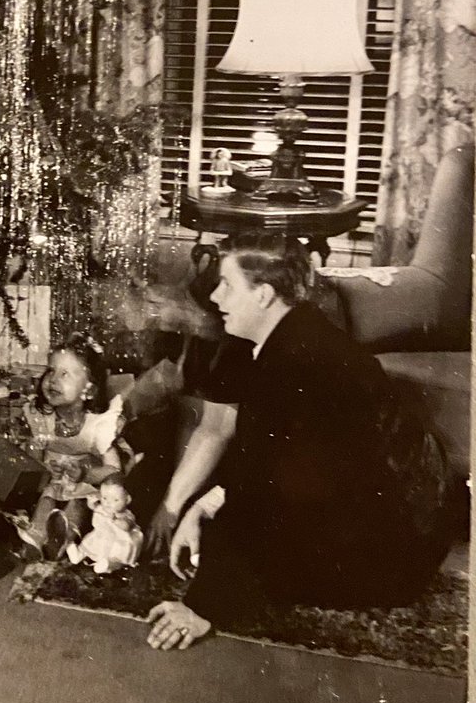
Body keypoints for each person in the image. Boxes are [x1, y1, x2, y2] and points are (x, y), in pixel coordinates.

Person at [144, 231, 452, 651]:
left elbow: (262, 492)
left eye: (227, 286)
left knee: (248, 548)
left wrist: (202, 605)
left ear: (265, 295)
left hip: (393, 556)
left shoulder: (291, 367)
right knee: (237, 518)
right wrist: (201, 504)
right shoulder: (297, 332)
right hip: (412, 521)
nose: (215, 297)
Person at [18, 334, 125, 559]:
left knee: (77, 505)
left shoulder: (97, 426)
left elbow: (115, 469)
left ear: (89, 390)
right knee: (46, 500)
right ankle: (36, 537)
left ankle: (64, 537)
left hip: (83, 487)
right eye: (51, 370)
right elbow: (34, 458)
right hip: (53, 484)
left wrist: (87, 473)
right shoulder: (43, 419)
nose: (53, 380)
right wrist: (44, 468)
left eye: (64, 374)